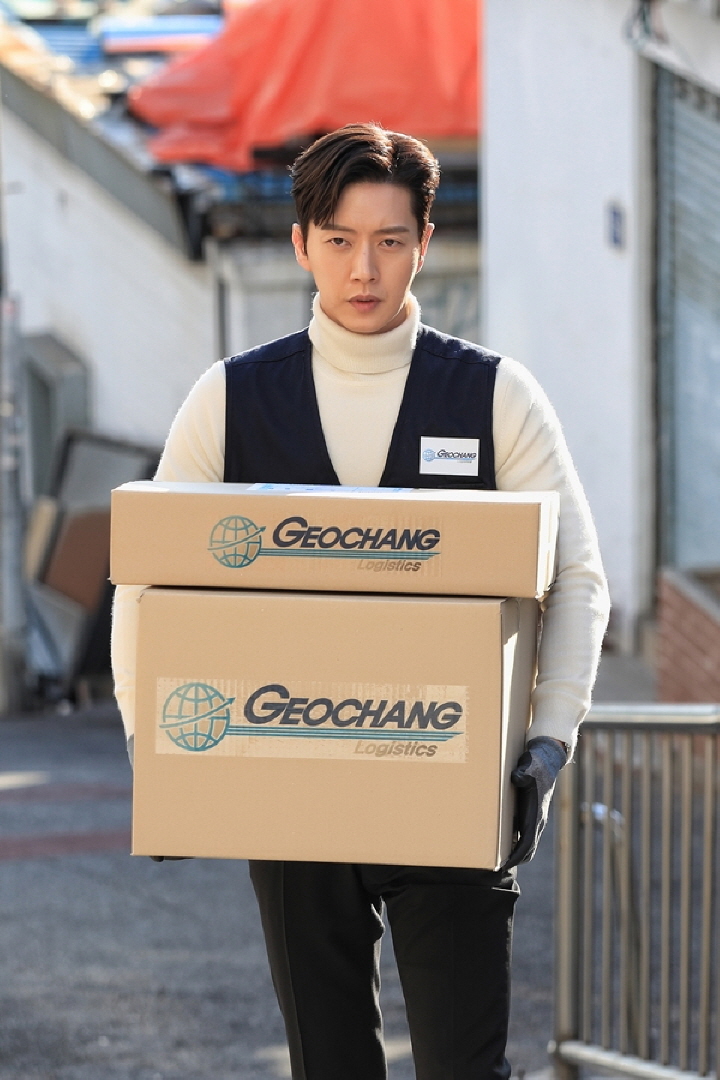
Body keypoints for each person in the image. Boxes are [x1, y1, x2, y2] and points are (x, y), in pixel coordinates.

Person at [112, 123, 610, 1080]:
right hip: (290, 790)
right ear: (302, 244)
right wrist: (153, 740)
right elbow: (149, 578)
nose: (364, 268)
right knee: (329, 1065)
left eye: (389, 240)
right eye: (339, 240)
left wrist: (548, 742)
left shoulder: (495, 398)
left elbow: (577, 577)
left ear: (425, 242)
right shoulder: (230, 400)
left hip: (454, 781)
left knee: (464, 1067)